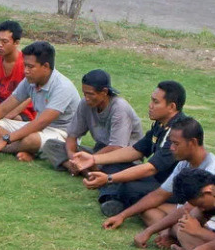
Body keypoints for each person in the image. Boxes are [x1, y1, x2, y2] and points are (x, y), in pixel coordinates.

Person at [103, 115, 215, 235]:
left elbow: (191, 209)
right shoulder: (183, 163)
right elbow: (159, 195)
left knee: (181, 224)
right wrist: (122, 216)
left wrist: (149, 231)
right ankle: (170, 232)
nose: (171, 148)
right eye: (171, 143)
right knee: (146, 208)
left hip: (209, 217)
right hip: (185, 209)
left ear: (192, 142)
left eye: (176, 144)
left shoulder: (214, 169)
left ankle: (175, 233)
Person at [79, 81, 186, 216]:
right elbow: (136, 150)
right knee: (114, 165)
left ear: (171, 107)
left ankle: (113, 197)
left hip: (171, 187)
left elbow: (150, 168)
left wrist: (109, 179)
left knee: (128, 185)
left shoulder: (179, 132)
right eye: (151, 100)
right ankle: (114, 198)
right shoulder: (161, 123)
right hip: (155, 179)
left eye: (155, 102)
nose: (150, 105)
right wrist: (94, 159)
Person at [0, 41, 80, 162]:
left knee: (31, 140)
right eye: (25, 65)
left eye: (30, 67)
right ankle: (26, 150)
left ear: (46, 67)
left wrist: (4, 140)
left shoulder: (62, 87)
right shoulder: (30, 80)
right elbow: (3, 108)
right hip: (36, 127)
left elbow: (41, 123)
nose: (26, 71)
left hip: (62, 134)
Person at [50, 69, 141, 170]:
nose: (87, 98)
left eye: (90, 94)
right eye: (85, 94)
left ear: (104, 92)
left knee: (115, 169)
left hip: (122, 157)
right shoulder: (85, 104)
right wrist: (72, 156)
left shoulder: (120, 108)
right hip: (99, 151)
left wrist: (90, 159)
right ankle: (80, 168)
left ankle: (84, 169)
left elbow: (117, 147)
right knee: (51, 145)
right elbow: (72, 135)